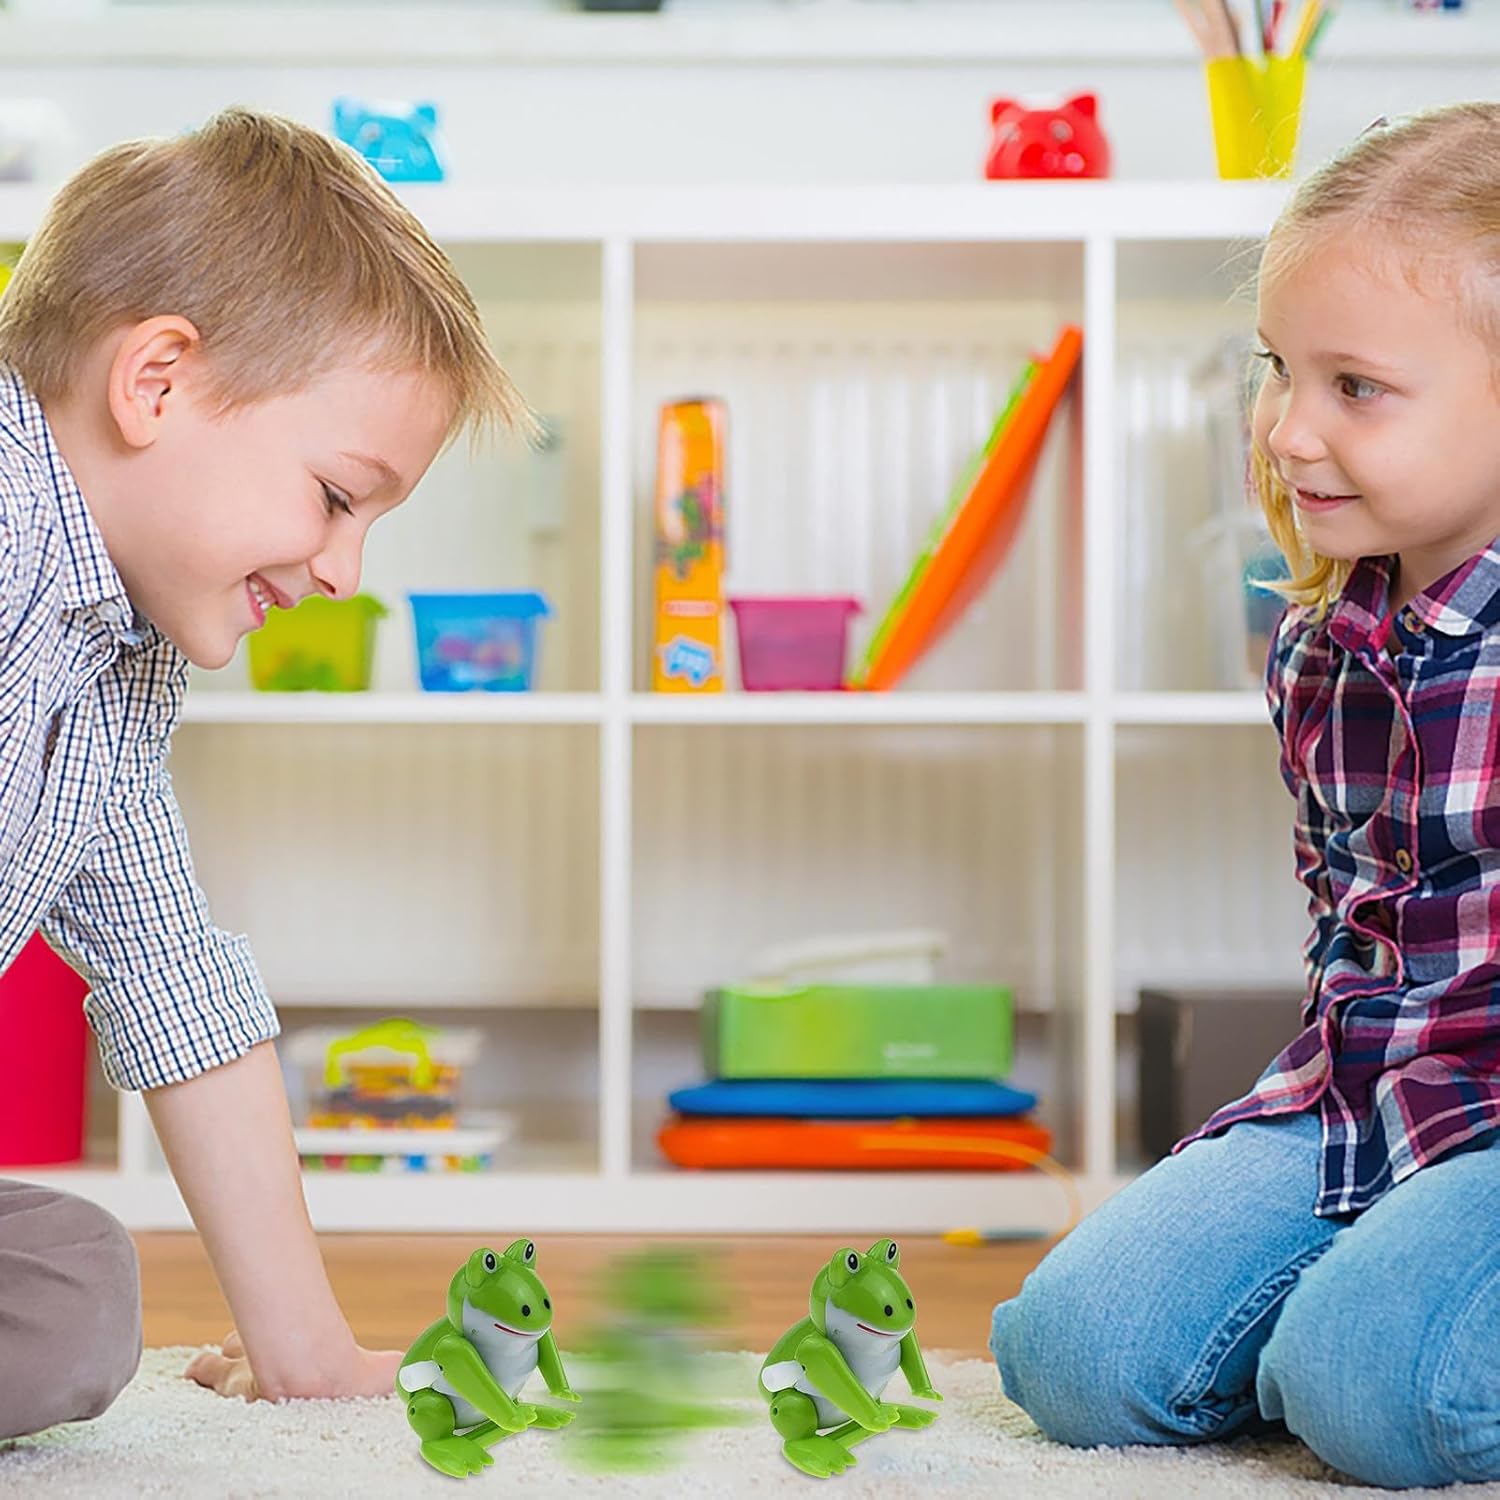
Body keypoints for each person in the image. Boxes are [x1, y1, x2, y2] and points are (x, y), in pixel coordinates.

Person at [991, 101, 1500, 1490]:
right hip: (1366, 1097)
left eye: (1356, 388)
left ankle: (1368, 1335)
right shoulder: (1317, 643)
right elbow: (1350, 928)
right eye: (1279, 370)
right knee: (1078, 1356)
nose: (1284, 429)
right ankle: (1365, 1314)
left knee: (1380, 1393)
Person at [0, 106, 528, 1439]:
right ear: (157, 384)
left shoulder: (115, 659)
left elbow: (171, 971)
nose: (345, 572)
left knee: (71, 1288)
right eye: (340, 499)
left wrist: (309, 1356)